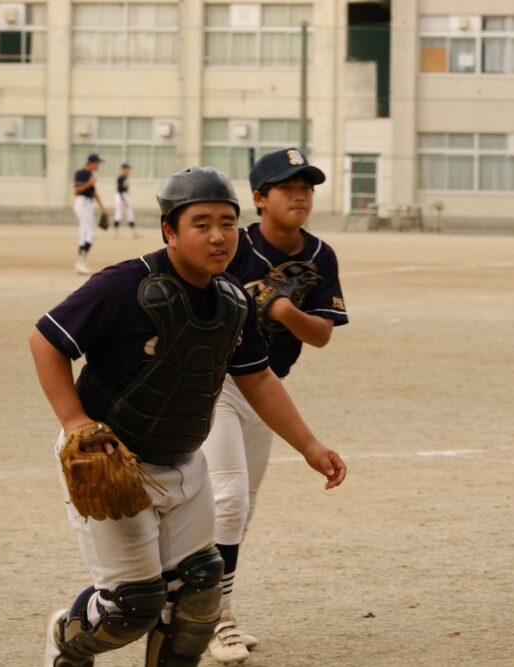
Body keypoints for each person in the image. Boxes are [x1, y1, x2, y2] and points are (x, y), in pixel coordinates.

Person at [30, 166, 347, 667]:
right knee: (131, 608)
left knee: (200, 594)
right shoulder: (125, 285)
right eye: (201, 223)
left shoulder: (233, 301)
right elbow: (47, 339)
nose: (218, 236)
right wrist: (75, 422)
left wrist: (310, 446)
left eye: (227, 222)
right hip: (118, 461)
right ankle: (65, 640)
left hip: (183, 460)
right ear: (170, 232)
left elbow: (259, 378)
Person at [201, 148, 349, 664]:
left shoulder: (320, 256)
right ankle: (215, 621)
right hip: (215, 386)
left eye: (307, 186)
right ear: (260, 199)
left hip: (266, 388)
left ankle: (217, 608)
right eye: (288, 187)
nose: (301, 195)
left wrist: (283, 308)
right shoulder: (230, 244)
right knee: (229, 498)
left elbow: (324, 334)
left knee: (242, 510)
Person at [73, 153, 107, 275]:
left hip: (88, 204)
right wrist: (89, 183)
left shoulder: (90, 175)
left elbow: (94, 193)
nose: (99, 165)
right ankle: (80, 262)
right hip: (82, 203)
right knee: (91, 234)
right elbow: (76, 190)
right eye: (98, 163)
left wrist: (102, 207)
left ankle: (80, 262)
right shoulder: (81, 173)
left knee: (84, 233)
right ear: (91, 163)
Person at [113, 163, 139, 239]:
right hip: (121, 196)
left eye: (128, 169)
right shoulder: (120, 178)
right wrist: (124, 201)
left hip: (124, 196)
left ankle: (134, 233)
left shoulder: (125, 178)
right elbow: (120, 190)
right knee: (119, 214)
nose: (128, 171)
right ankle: (116, 233)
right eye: (127, 169)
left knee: (130, 214)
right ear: (123, 169)